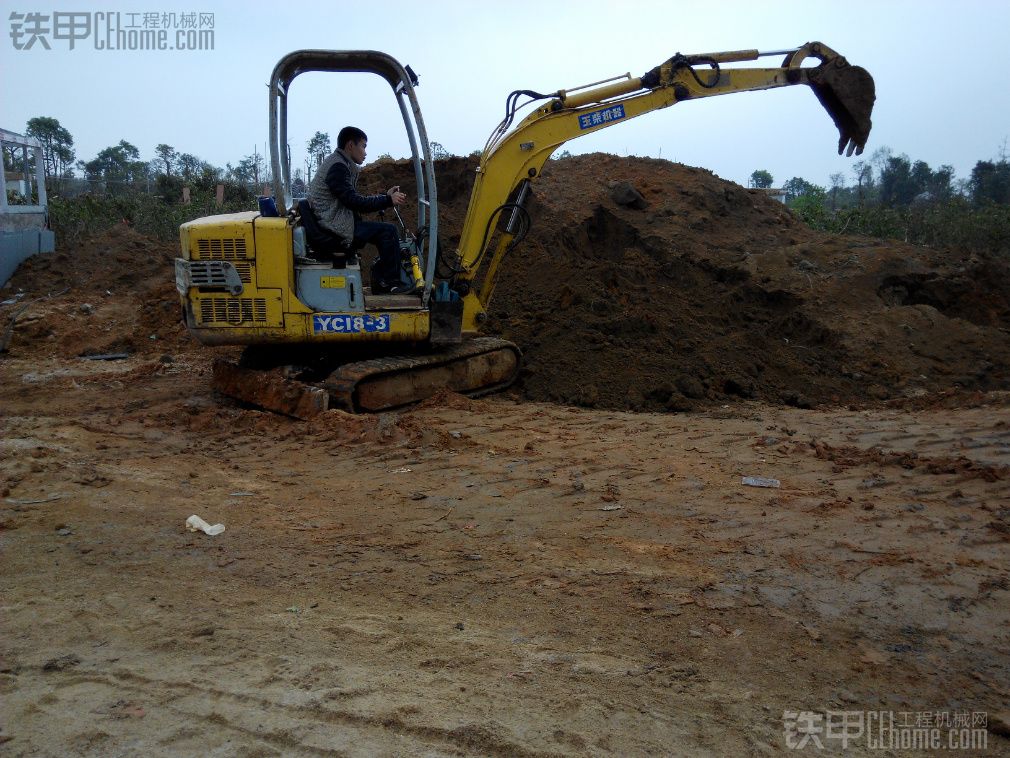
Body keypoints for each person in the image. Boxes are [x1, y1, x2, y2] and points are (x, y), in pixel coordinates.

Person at [307, 126, 412, 294]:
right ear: (350, 146)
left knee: (382, 231)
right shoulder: (338, 167)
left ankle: (381, 280)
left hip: (332, 221)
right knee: (388, 231)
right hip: (334, 226)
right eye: (363, 146)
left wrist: (385, 196)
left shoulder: (338, 163)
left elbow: (351, 198)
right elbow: (354, 202)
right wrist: (387, 200)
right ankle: (391, 282)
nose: (365, 152)